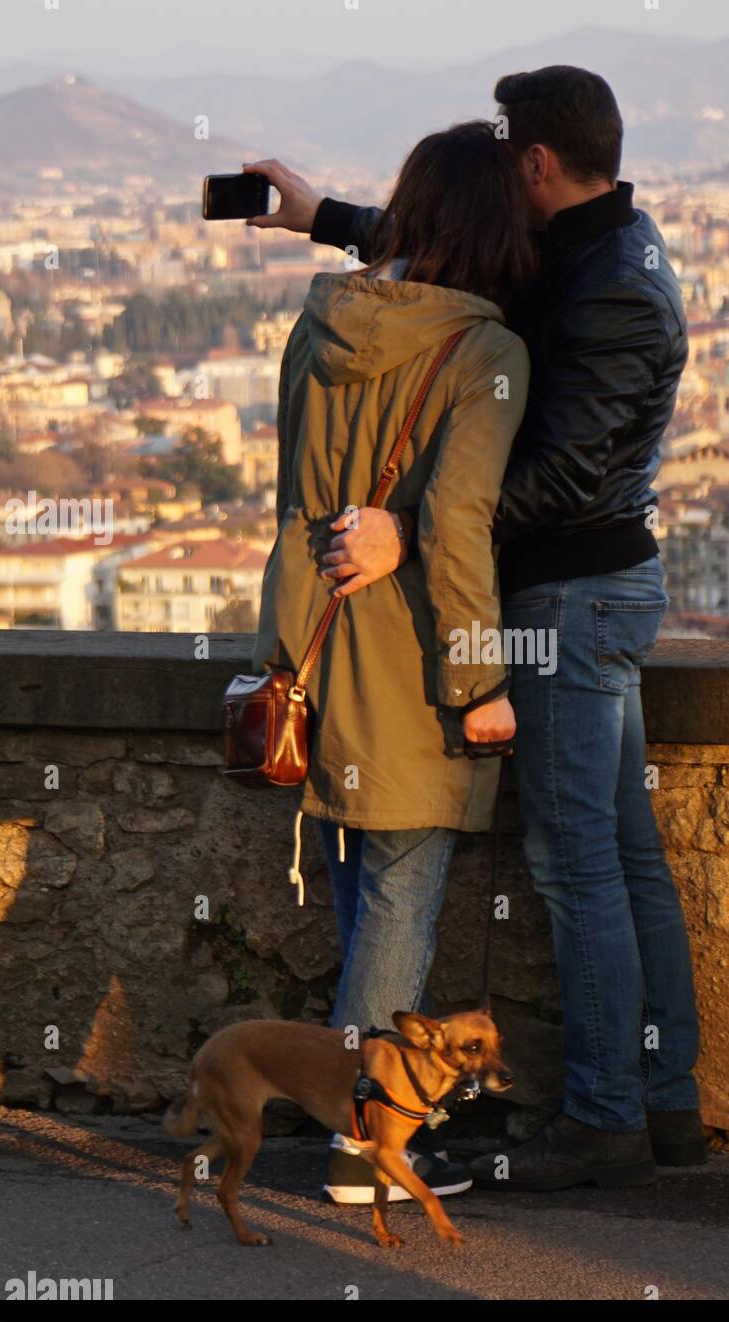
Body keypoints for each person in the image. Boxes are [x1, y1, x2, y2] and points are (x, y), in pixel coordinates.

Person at [249, 66, 704, 1193]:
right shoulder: (599, 246)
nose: (506, 186)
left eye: (511, 161)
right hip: (593, 592)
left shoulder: (605, 290)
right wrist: (326, 218)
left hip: (571, 598)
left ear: (538, 165)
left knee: (576, 869)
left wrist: (411, 532)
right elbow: (457, 237)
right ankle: (665, 1101)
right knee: (625, 861)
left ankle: (606, 1113)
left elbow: (563, 474)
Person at [247, 121, 532, 1203]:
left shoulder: (319, 326)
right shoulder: (483, 351)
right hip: (410, 658)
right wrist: (483, 684)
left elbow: (293, 498)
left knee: (368, 891)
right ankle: (363, 1147)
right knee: (402, 899)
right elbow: (456, 528)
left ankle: (345, 1117)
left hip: (313, 643)